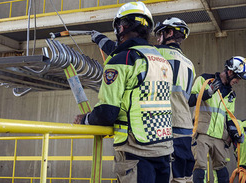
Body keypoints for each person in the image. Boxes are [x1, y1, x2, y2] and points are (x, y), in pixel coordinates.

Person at [74, 2, 174, 183]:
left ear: (122, 26)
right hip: (163, 148)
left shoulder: (122, 60)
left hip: (135, 152)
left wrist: (85, 119)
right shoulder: (162, 61)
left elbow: (107, 112)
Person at [189, 56, 246, 183]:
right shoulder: (204, 80)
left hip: (219, 137)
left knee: (222, 171)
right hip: (202, 134)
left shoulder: (231, 95)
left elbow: (229, 117)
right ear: (230, 72)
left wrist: (235, 132)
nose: (237, 81)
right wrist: (207, 93)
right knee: (200, 169)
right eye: (237, 78)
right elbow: (188, 100)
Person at [153, 17, 196, 183]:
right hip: (185, 126)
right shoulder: (190, 64)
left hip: (168, 126)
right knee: (185, 177)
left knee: (170, 176)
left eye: (160, 34)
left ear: (169, 33)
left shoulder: (157, 53)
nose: (157, 39)